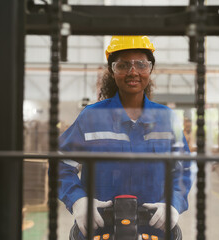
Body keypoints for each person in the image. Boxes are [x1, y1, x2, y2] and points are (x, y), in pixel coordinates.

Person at [58, 36, 195, 239]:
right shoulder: (92, 117)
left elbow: (183, 169)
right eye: (123, 65)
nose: (133, 72)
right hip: (99, 230)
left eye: (141, 64)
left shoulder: (166, 118)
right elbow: (60, 162)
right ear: (113, 71)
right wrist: (78, 201)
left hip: (154, 230)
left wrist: (173, 204)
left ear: (150, 69)